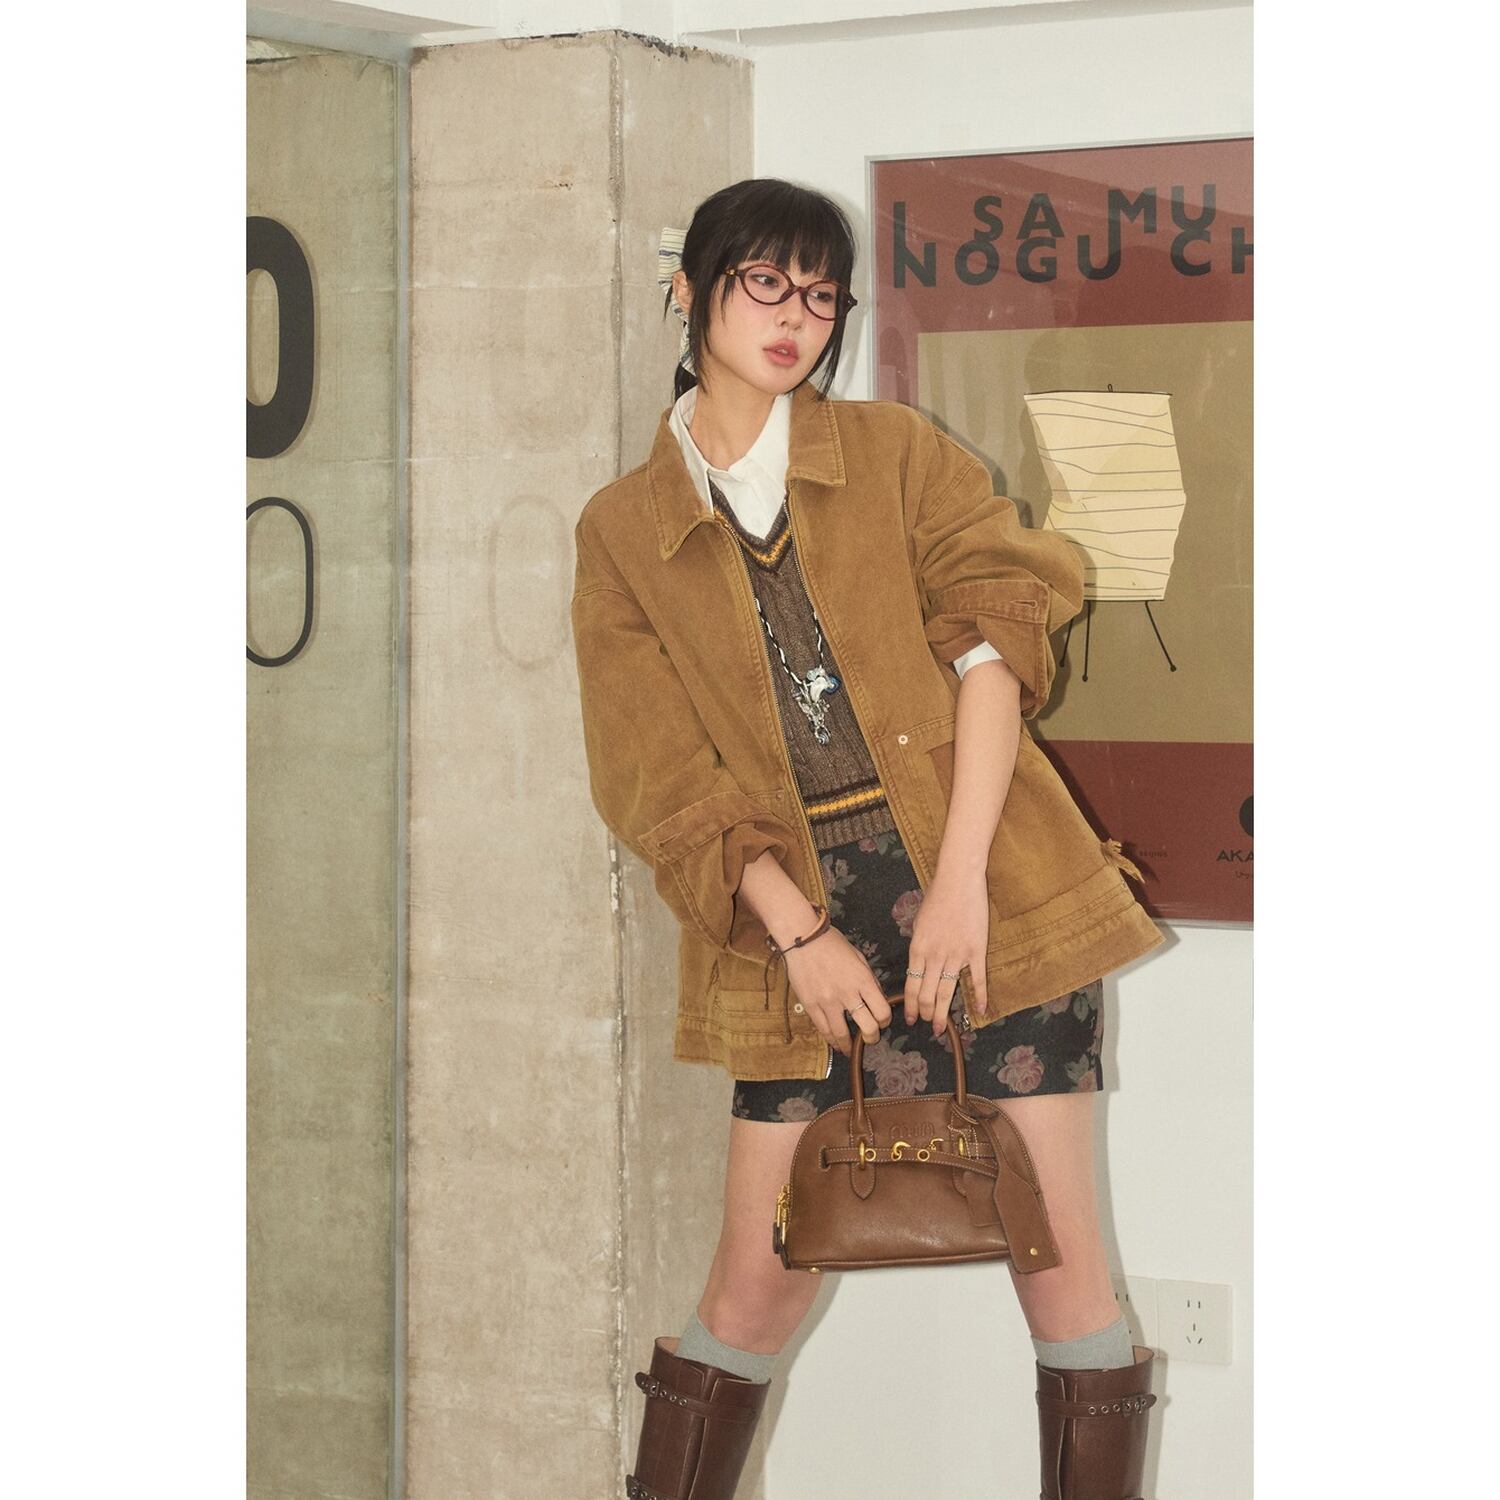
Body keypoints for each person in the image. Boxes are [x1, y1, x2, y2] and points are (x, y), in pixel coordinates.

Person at [570, 178, 1164, 1500]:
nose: (795, 318)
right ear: (691, 290)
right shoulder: (622, 530)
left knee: (1063, 1269)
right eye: (762, 284)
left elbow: (995, 646)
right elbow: (654, 772)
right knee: (754, 1285)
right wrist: (798, 935)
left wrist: (959, 891)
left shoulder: (895, 453)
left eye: (820, 295)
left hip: (988, 887)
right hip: (788, 921)